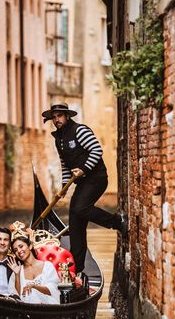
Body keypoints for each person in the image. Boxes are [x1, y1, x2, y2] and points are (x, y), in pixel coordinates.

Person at [42, 103, 127, 272]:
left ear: (67, 116)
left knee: (80, 209)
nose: (56, 119)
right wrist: (65, 186)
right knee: (75, 220)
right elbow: (65, 164)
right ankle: (77, 269)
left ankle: (117, 222)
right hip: (82, 181)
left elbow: (97, 150)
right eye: (54, 117)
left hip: (97, 177)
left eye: (59, 116)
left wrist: (83, 169)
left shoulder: (80, 130)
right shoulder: (58, 139)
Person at [7, 234, 60, 305]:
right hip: (27, 310)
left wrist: (34, 286)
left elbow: (52, 290)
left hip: (48, 307)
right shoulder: (17, 271)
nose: (19, 251)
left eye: (21, 246)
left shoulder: (47, 266)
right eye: (15, 250)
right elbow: (17, 298)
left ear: (30, 246)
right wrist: (17, 275)